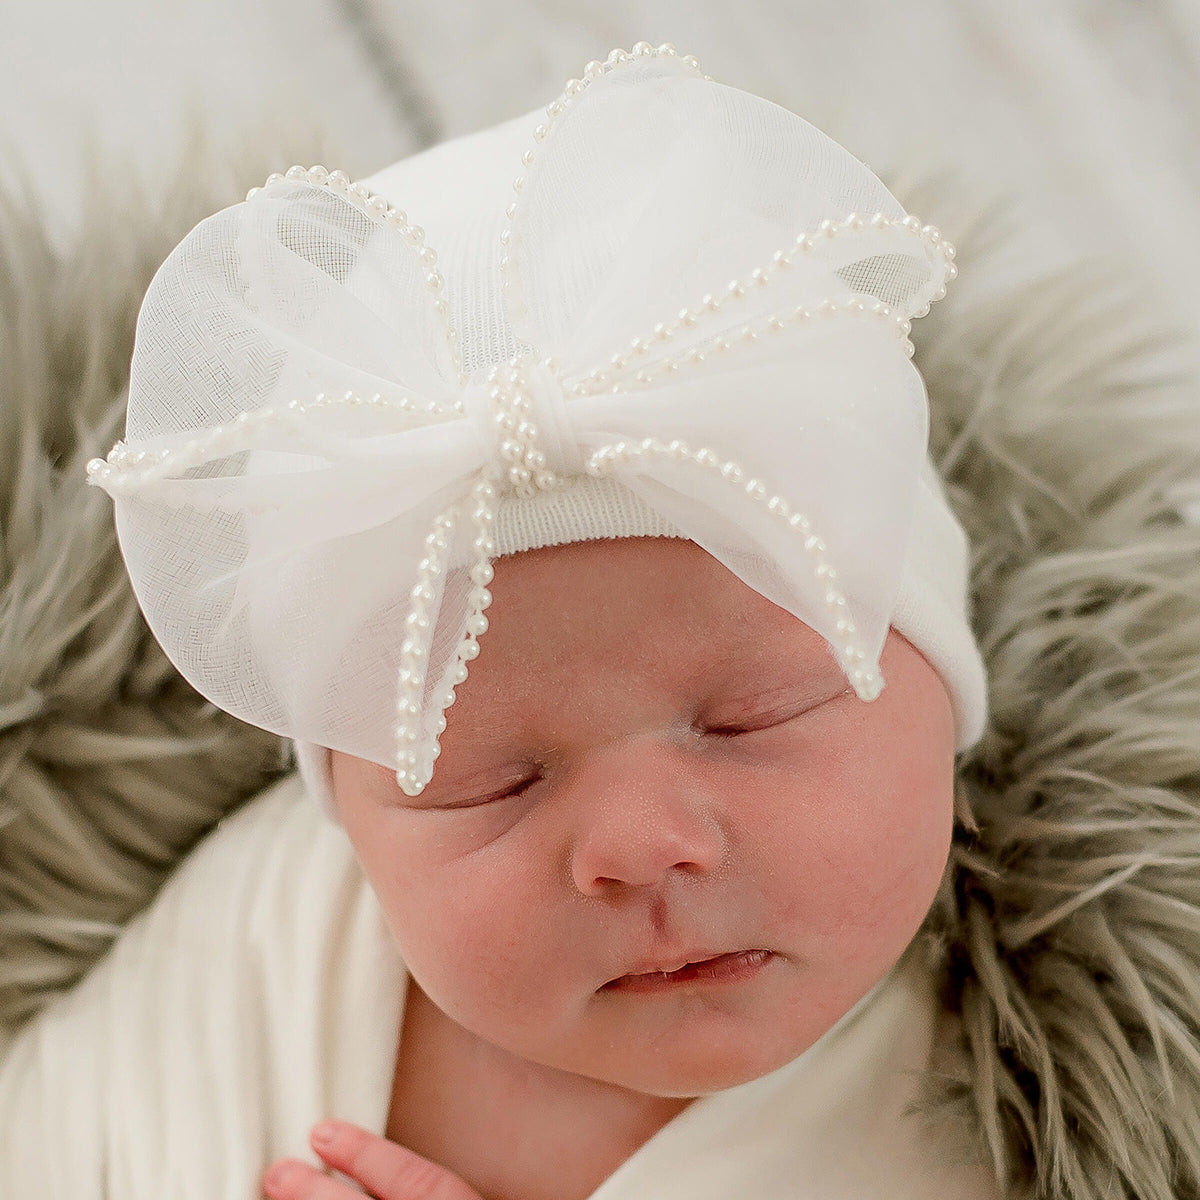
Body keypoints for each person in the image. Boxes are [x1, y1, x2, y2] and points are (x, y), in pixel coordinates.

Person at [4, 40, 1199, 1200]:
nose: (636, 845)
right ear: (349, 816)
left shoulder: (1047, 1107)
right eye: (489, 783)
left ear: (945, 681)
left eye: (749, 717)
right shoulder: (238, 952)